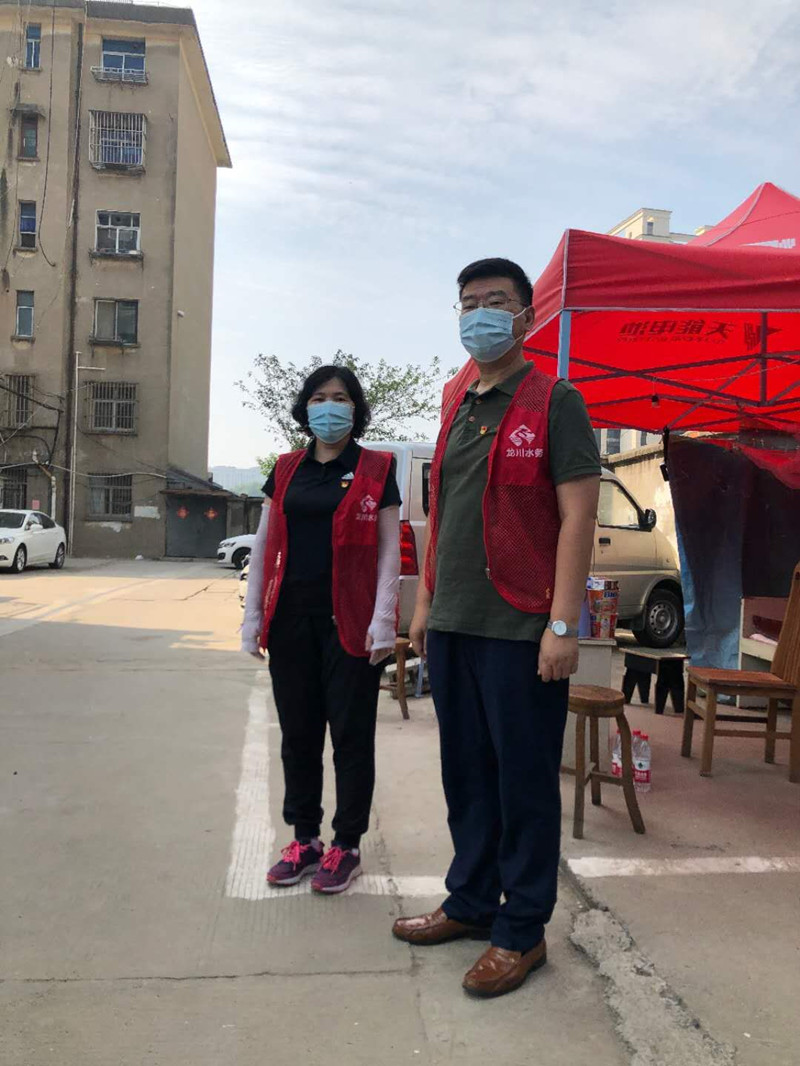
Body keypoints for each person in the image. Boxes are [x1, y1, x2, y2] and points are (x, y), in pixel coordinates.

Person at [392, 259, 601, 997]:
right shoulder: (456, 396)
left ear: (526, 315)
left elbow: (578, 515)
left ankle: (521, 931)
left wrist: (563, 623)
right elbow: (443, 510)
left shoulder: (556, 401)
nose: (479, 314)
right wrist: (425, 607)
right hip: (454, 622)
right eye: (469, 303)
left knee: (524, 784)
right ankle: (472, 902)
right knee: (467, 776)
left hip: (521, 626)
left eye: (496, 302)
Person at [242, 365, 401, 894]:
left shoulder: (376, 468)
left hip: (350, 624)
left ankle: (347, 845)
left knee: (351, 738)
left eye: (340, 397)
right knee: (299, 735)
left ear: (355, 409)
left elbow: (389, 551)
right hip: (291, 621)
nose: (329, 406)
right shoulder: (286, 469)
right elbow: (264, 544)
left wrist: (384, 619)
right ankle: (305, 839)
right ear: (305, 408)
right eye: (318, 398)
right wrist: (252, 617)